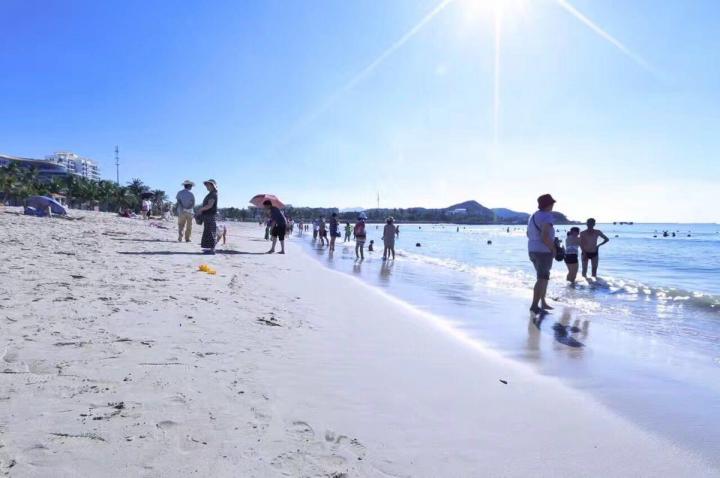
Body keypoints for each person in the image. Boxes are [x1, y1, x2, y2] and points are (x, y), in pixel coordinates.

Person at [527, 194, 557, 314]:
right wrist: (553, 248)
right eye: (552, 203)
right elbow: (544, 236)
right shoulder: (547, 216)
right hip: (543, 251)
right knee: (542, 278)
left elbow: (528, 234)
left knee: (543, 277)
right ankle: (534, 305)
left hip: (532, 250)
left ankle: (543, 302)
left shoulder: (533, 216)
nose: (553, 205)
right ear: (548, 204)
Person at [196, 179, 218, 254]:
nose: (206, 186)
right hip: (208, 215)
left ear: (212, 185)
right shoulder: (211, 193)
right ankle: (210, 249)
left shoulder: (213, 194)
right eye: (206, 185)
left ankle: (212, 250)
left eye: (208, 185)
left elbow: (210, 205)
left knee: (211, 232)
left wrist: (200, 210)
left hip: (210, 215)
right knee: (208, 232)